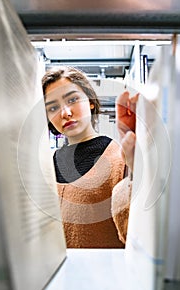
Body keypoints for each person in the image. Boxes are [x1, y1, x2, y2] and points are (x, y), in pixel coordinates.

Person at [42, 66, 137, 248]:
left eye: (72, 99)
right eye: (53, 107)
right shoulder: (45, 165)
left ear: (90, 101)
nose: (65, 113)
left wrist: (135, 169)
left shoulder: (120, 158)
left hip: (106, 274)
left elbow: (133, 234)